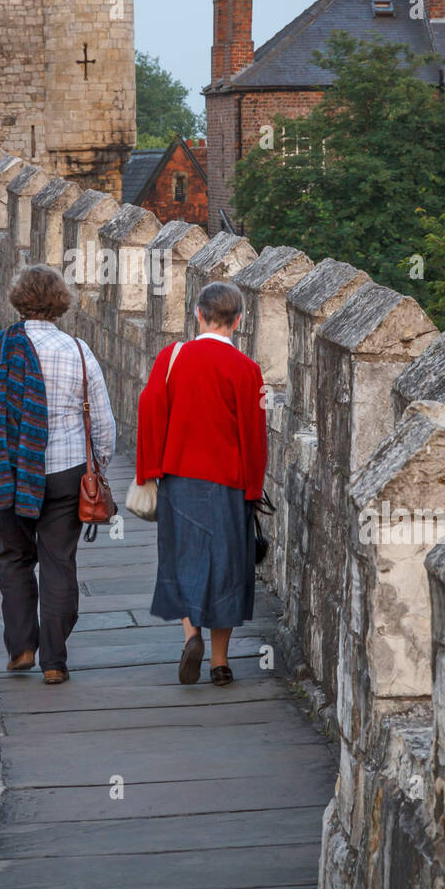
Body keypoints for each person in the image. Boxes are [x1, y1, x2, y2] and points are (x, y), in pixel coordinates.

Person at [0, 264, 115, 684]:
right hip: (66, 475)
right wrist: (98, 469)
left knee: (13, 557)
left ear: (19, 300)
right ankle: (54, 660)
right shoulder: (79, 352)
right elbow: (102, 423)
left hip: (10, 472)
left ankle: (22, 646)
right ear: (60, 303)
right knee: (58, 562)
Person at [135, 280, 267, 687]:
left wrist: (148, 470)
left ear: (198, 314)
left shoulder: (172, 357)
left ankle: (191, 635)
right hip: (228, 482)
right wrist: (253, 488)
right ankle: (220, 662)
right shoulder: (248, 371)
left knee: (184, 559)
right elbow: (255, 433)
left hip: (179, 478)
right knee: (228, 567)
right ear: (239, 320)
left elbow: (149, 409)